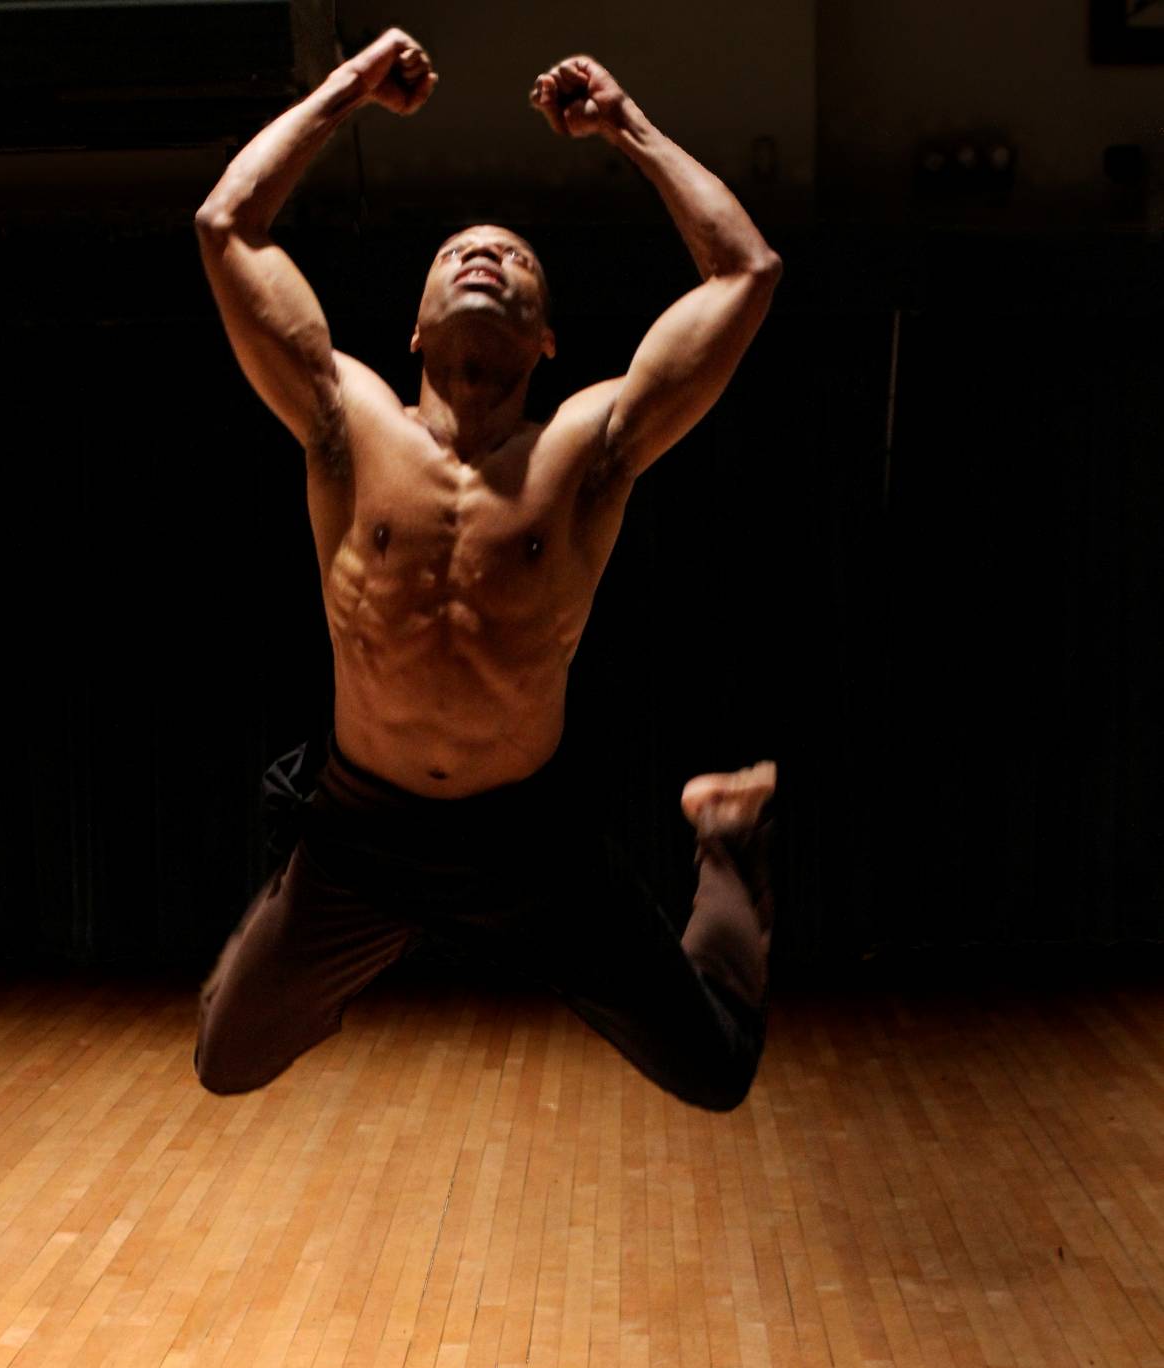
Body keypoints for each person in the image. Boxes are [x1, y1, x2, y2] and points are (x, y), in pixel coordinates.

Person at [191, 29, 780, 1112]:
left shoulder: (585, 453)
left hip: (527, 837)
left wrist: (627, 127)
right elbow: (227, 225)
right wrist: (345, 91)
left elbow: (744, 273)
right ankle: (314, 933)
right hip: (362, 832)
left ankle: (730, 841)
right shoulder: (342, 421)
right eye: (460, 250)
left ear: (546, 338)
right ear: (413, 330)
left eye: (513, 257)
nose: (485, 255)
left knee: (714, 1072)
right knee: (223, 1062)